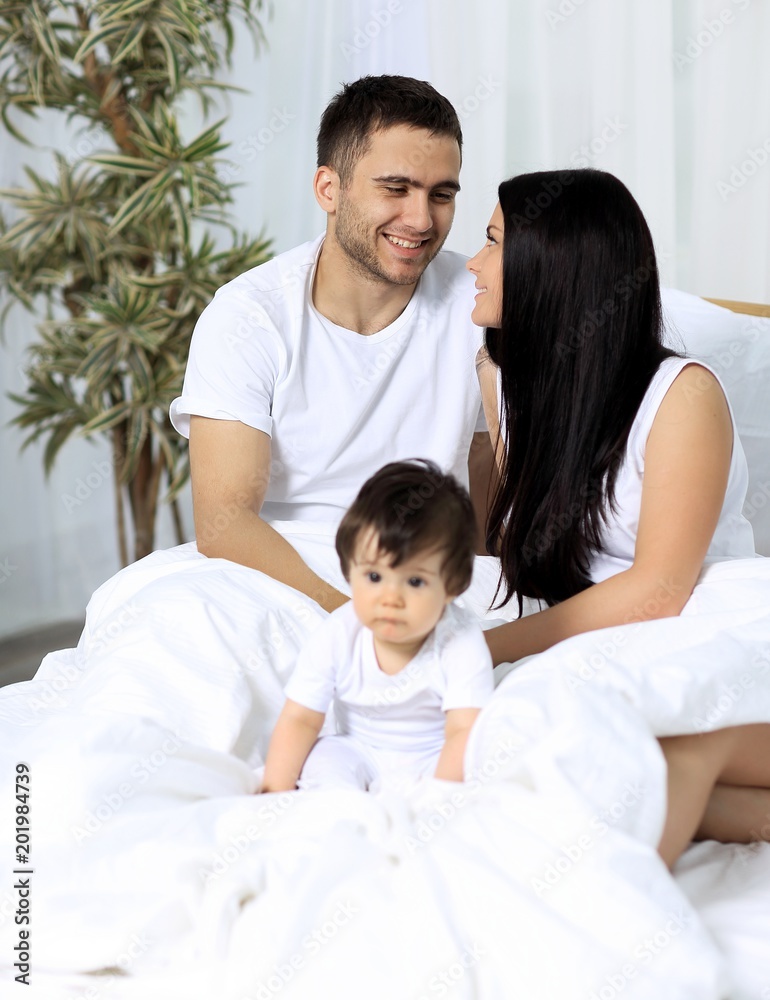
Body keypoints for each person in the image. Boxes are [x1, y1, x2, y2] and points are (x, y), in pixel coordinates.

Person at [466, 168, 770, 866]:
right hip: (607, 627)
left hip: (706, 616)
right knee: (559, 757)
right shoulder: (511, 381)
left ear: (554, 268)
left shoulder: (681, 396)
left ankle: (616, 932)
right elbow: (525, 550)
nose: (474, 265)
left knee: (668, 745)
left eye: (492, 243)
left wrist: (488, 649)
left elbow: (660, 590)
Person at [169, 75, 493, 613]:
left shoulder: (479, 304)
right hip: (275, 576)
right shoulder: (248, 315)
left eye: (441, 194)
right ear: (329, 189)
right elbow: (225, 526)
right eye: (396, 188)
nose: (420, 219)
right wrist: (352, 620)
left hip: (427, 571)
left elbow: (488, 493)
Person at [260, 460, 494, 793]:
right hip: (355, 748)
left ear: (453, 586)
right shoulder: (339, 633)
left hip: (431, 754)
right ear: (348, 571)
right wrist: (273, 791)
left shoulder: (460, 641)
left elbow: (462, 730)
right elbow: (301, 718)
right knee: (322, 761)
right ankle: (337, 810)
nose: (391, 598)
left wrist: (437, 797)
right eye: (374, 577)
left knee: (479, 762)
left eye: (414, 581)